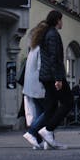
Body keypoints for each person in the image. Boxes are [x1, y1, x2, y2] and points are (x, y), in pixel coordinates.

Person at [37, 10, 73, 149]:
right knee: (68, 101)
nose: (62, 22)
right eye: (61, 20)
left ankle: (47, 141)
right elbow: (54, 58)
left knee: (51, 107)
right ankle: (48, 130)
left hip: (46, 76)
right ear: (58, 20)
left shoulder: (46, 33)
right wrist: (58, 79)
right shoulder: (53, 35)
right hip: (53, 76)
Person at [22, 21, 48, 149]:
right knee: (49, 111)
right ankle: (32, 133)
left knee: (38, 113)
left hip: (29, 86)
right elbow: (40, 68)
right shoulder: (41, 48)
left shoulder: (32, 47)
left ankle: (37, 141)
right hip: (39, 85)